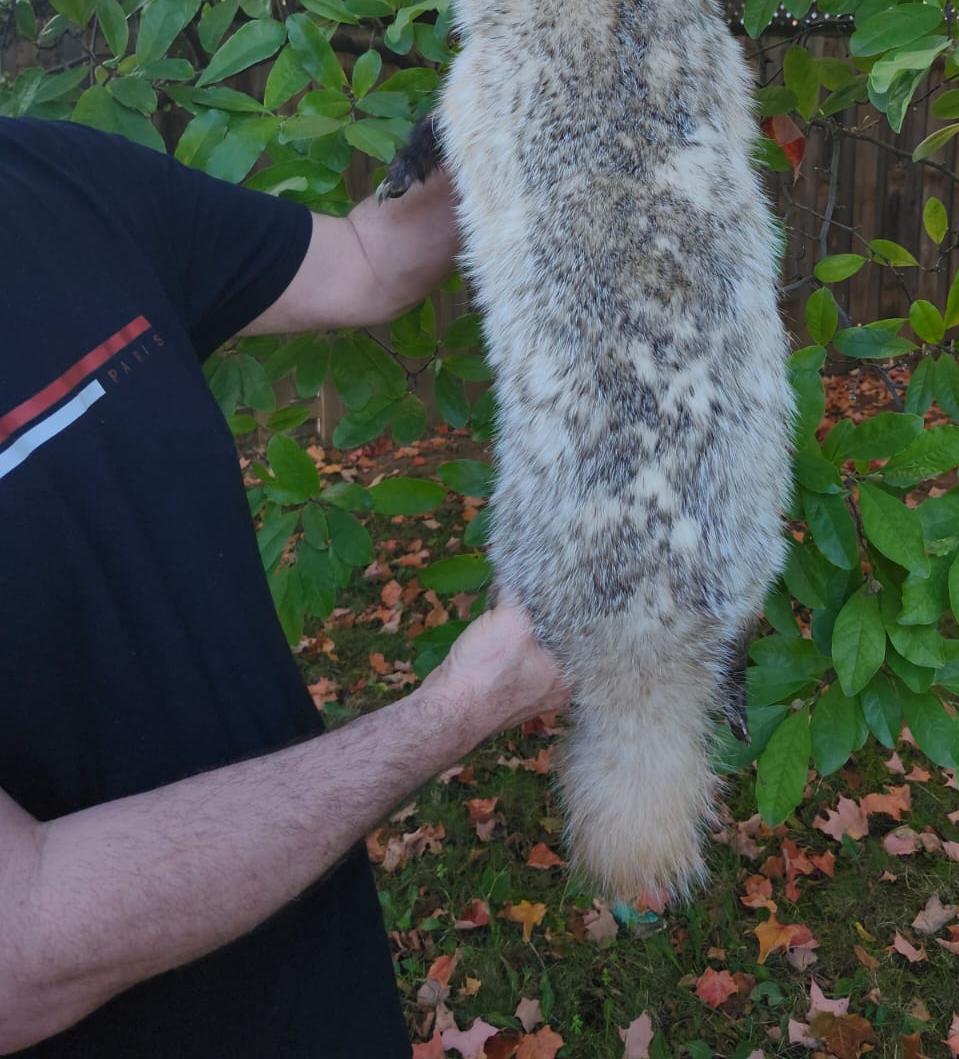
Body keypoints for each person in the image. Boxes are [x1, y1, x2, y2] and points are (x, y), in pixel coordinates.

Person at [0, 116, 569, 1057]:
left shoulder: (52, 175)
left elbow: (367, 257)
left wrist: (527, 90)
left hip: (320, 973)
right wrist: (455, 713)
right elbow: (19, 951)